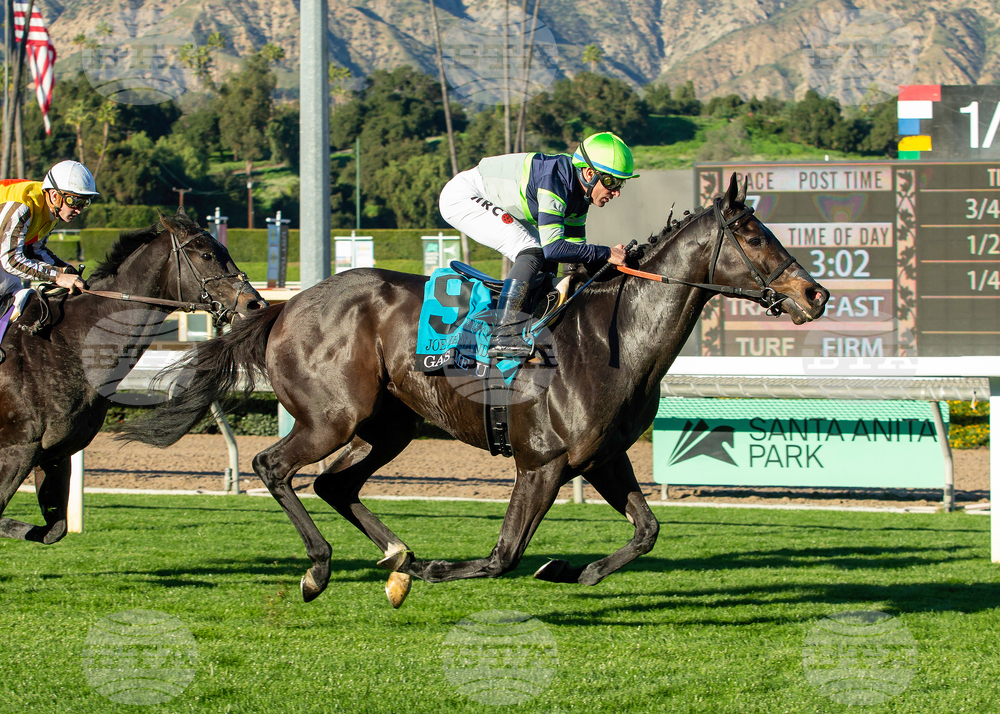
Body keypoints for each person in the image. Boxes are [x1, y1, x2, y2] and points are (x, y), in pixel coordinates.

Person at [439, 132, 638, 359]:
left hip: (487, 198)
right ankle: (503, 334)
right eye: (611, 181)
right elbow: (554, 248)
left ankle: (532, 322)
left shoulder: (580, 197)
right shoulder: (555, 181)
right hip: (463, 196)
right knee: (532, 250)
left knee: (544, 257)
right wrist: (605, 252)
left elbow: (572, 254)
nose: (617, 192)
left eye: (621, 183)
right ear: (589, 173)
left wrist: (612, 264)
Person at [0, 160, 96, 318]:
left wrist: (64, 269)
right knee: (10, 288)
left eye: (85, 203)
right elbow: (11, 260)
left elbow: (33, 251)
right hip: (6, 259)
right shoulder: (23, 205)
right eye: (75, 201)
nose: (78, 210)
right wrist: (58, 277)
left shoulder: (52, 210)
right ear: (54, 195)